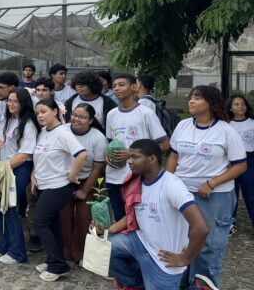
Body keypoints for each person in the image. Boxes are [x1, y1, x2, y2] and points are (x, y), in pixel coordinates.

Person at [166, 85, 247, 288]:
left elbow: (240, 165)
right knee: (182, 240)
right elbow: (174, 156)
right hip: (182, 193)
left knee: (209, 244)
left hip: (215, 197)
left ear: (211, 103)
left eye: (197, 98)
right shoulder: (183, 125)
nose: (191, 101)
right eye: (191, 97)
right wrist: (167, 182)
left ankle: (202, 285)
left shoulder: (226, 130)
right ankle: (182, 283)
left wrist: (211, 183)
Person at [107, 139, 210, 290]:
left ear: (152, 159)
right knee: (105, 247)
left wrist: (184, 258)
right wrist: (107, 230)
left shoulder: (172, 185)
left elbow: (201, 228)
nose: (129, 161)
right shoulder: (137, 182)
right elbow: (133, 215)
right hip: (142, 243)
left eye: (135, 157)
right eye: (129, 157)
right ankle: (137, 284)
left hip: (164, 259)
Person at [31, 97, 88, 282]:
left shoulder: (63, 132)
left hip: (59, 186)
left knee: (40, 222)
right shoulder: (42, 132)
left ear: (55, 111)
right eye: (38, 113)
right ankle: (54, 259)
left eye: (44, 111)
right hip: (43, 184)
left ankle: (57, 266)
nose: (40, 116)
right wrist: (33, 174)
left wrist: (72, 175)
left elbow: (82, 154)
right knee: (52, 224)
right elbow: (38, 156)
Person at [105, 73, 168, 221]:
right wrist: (107, 154)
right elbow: (110, 142)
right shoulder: (111, 114)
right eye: (114, 86)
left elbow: (165, 144)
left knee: (138, 219)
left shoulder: (146, 113)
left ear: (134, 87)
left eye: (121, 85)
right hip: (113, 176)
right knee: (120, 218)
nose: (116, 88)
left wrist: (132, 154)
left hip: (137, 176)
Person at [0, 88, 38, 264]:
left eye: (15, 101)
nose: (11, 104)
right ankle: (4, 244)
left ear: (24, 103)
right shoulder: (6, 118)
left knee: (9, 207)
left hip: (17, 168)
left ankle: (18, 252)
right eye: (9, 101)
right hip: (4, 166)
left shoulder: (29, 124)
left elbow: (24, 155)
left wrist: (2, 168)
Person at [60, 103, 106, 264]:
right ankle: (65, 252)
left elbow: (98, 168)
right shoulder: (63, 130)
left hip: (87, 179)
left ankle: (80, 253)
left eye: (82, 117)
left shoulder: (98, 138)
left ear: (91, 120)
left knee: (83, 215)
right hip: (64, 178)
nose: (76, 119)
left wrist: (85, 191)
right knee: (63, 214)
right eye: (74, 115)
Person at [227, 94, 254, 233]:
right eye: (236, 104)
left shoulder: (252, 123)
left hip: (249, 160)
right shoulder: (226, 124)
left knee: (250, 195)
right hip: (230, 162)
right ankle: (230, 223)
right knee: (232, 194)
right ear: (230, 108)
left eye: (243, 103)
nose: (241, 106)